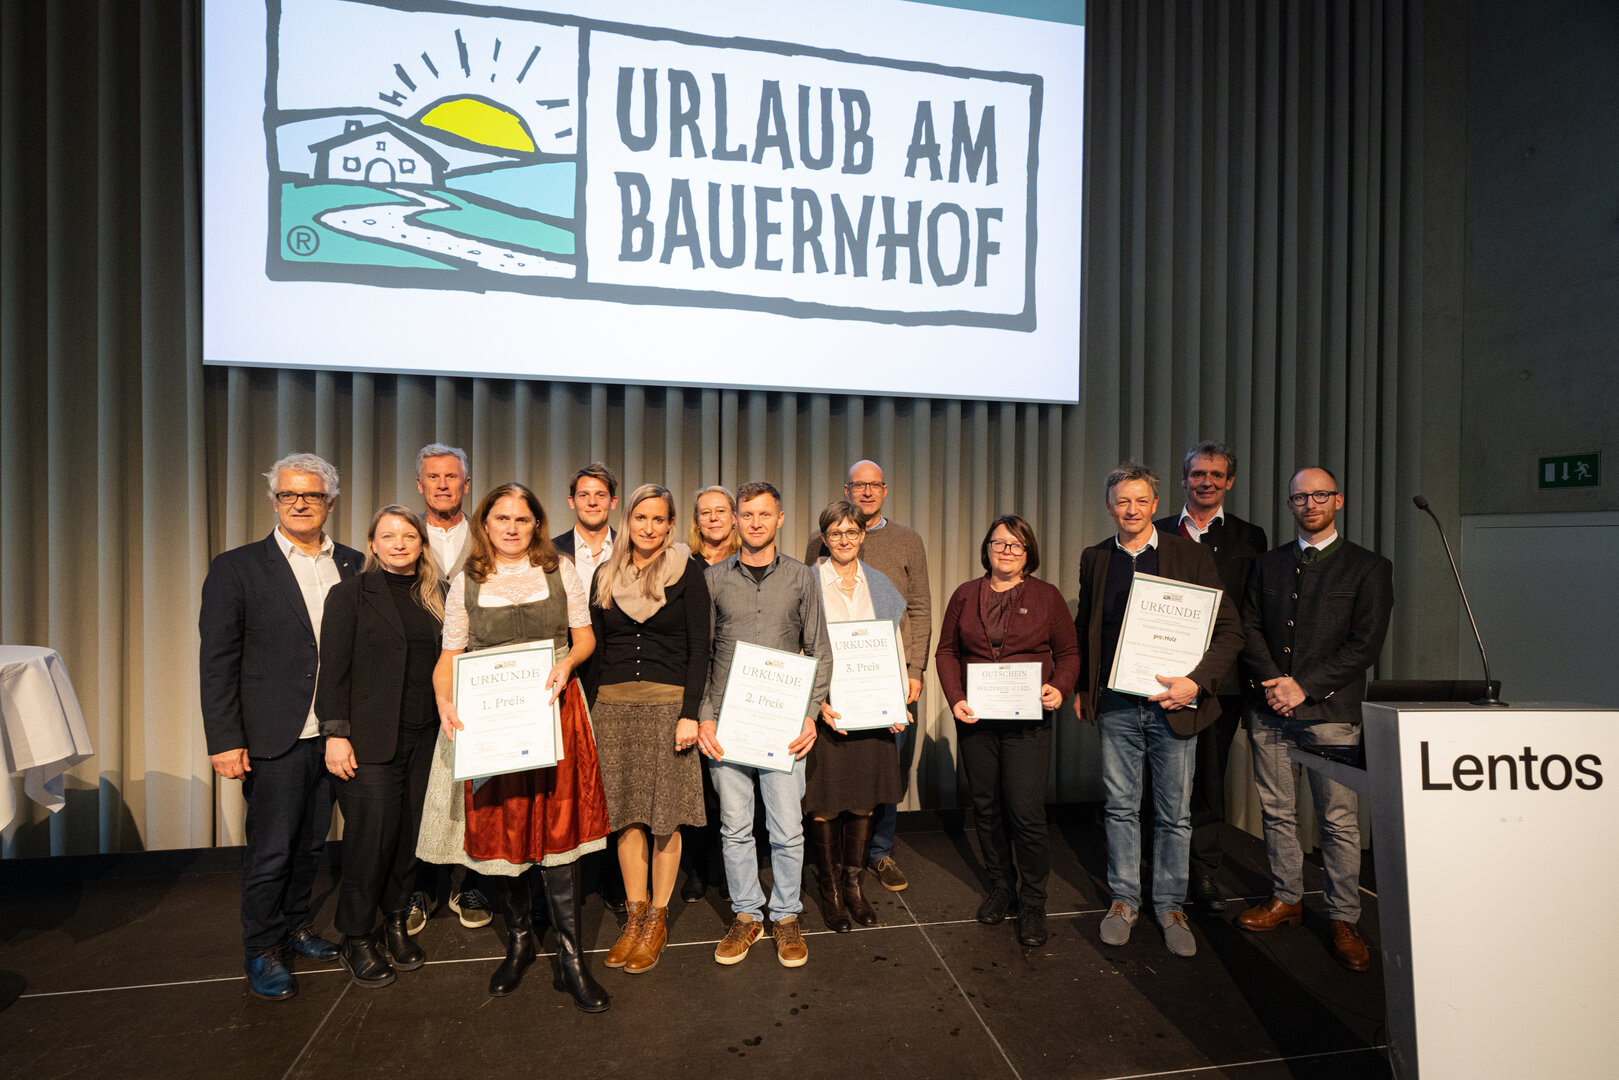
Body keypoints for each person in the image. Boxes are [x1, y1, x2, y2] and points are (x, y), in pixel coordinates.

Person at [417, 483, 612, 1011]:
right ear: (485, 524)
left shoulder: (560, 570)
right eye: (501, 518)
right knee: (504, 828)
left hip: (554, 711)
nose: (511, 527)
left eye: (521, 519)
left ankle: (571, 958)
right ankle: (521, 940)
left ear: (536, 524)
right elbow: (450, 657)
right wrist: (444, 701)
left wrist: (567, 663)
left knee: (558, 827)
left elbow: (585, 637)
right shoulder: (467, 581)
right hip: (491, 720)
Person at [200, 453, 362, 1000]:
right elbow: (217, 660)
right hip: (273, 736)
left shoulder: (354, 564)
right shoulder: (237, 567)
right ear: (274, 502)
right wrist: (225, 739)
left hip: (334, 735)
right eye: (288, 494)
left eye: (311, 495)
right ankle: (262, 948)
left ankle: (295, 927)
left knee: (312, 845)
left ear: (329, 503)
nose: (299, 503)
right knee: (271, 851)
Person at [1073, 463, 1244, 958]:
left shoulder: (1190, 555)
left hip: (1175, 703)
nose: (1132, 509)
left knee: (1174, 814)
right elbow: (1086, 627)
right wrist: (1084, 687)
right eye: (1123, 501)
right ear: (1110, 506)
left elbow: (1229, 631)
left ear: (1155, 505)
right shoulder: (1095, 557)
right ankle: (1124, 900)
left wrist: (1196, 682)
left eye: (1141, 500)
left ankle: (1170, 905)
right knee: (1120, 807)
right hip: (1117, 704)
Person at [1237, 467, 1393, 972]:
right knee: (1277, 811)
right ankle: (1287, 898)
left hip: (1331, 711)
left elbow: (1365, 645)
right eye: (1301, 497)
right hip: (1270, 707)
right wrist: (1275, 682)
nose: (1311, 504)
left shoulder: (1368, 568)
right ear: (1289, 505)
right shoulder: (1269, 564)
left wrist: (1303, 686)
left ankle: (1343, 915)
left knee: (1338, 819)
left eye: (1320, 495)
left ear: (1338, 501)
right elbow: (1249, 627)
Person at [696, 481, 831, 968]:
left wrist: (811, 715)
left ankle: (786, 914)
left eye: (764, 514)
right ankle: (747, 914)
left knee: (787, 829)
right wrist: (705, 717)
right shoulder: (713, 579)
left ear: (780, 519)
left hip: (782, 726)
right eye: (747, 514)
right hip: (727, 725)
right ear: (736, 520)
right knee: (734, 827)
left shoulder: (801, 578)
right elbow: (701, 654)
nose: (755, 522)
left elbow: (820, 651)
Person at [315, 505, 444, 987]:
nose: (398, 544)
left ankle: (394, 923)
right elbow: (333, 669)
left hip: (427, 737)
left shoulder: (439, 595)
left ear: (421, 544)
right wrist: (335, 734)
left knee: (409, 839)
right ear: (372, 544)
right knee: (371, 840)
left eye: (408, 535)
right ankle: (356, 936)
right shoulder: (349, 594)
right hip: (368, 740)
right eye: (388, 536)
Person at [936, 514, 1078, 947]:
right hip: (977, 720)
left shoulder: (1047, 596)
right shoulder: (965, 594)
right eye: (999, 543)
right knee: (986, 807)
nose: (1007, 551)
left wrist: (1059, 687)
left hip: (1027, 721)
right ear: (987, 548)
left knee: (1026, 812)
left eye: (1016, 545)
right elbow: (946, 652)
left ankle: (1033, 902)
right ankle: (1002, 887)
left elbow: (1069, 652)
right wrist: (955, 697)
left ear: (1028, 552)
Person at [589, 484, 712, 975]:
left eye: (659, 519)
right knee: (627, 818)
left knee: (666, 818)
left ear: (671, 525)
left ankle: (657, 920)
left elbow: (700, 649)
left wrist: (690, 712)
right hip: (613, 709)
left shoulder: (688, 572)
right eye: (641, 517)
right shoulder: (604, 574)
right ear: (628, 520)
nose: (648, 527)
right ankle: (635, 917)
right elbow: (597, 650)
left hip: (667, 708)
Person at [1152, 441, 1268, 912]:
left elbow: (1252, 611)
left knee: (1208, 782)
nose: (1207, 482)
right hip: (1161, 676)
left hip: (1223, 681)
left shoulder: (1250, 538)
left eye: (1216, 475)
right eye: (1198, 474)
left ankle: (1203, 873)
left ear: (1229, 482)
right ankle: (1157, 871)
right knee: (1158, 779)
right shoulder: (1157, 530)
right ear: (1184, 479)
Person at [805, 460, 930, 892]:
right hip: (831, 694)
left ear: (885, 489)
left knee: (878, 778)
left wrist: (912, 672)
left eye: (874, 484)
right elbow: (806, 632)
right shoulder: (812, 567)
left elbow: (917, 611)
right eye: (859, 485)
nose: (867, 491)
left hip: (883, 685)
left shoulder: (903, 548)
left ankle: (876, 856)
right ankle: (832, 874)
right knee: (829, 787)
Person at [805, 501, 906, 932]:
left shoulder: (879, 583)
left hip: (872, 710)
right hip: (828, 709)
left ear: (863, 536)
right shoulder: (808, 581)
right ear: (824, 539)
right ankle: (829, 891)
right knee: (824, 806)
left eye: (851, 532)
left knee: (864, 802)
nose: (844, 540)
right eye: (835, 533)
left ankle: (854, 887)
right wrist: (814, 703)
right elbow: (798, 644)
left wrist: (897, 702)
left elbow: (892, 644)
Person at [405, 443, 491, 935]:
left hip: (477, 678)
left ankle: (469, 882)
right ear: (420, 485)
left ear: (466, 484)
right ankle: (421, 886)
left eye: (451, 476)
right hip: (416, 679)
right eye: (433, 477)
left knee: (475, 784)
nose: (442, 484)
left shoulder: (488, 538)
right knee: (423, 787)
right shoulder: (402, 536)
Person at [678, 485, 740, 902]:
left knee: (734, 782)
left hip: (741, 685)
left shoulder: (748, 560)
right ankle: (699, 868)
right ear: (696, 521)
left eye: (721, 511)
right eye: (706, 512)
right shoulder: (685, 565)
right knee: (698, 782)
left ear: (734, 517)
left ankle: (730, 866)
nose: (714, 518)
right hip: (697, 679)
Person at [553, 462, 619, 589]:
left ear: (613, 502)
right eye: (583, 495)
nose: (592, 502)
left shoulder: (629, 550)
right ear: (572, 501)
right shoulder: (551, 551)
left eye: (601, 495)